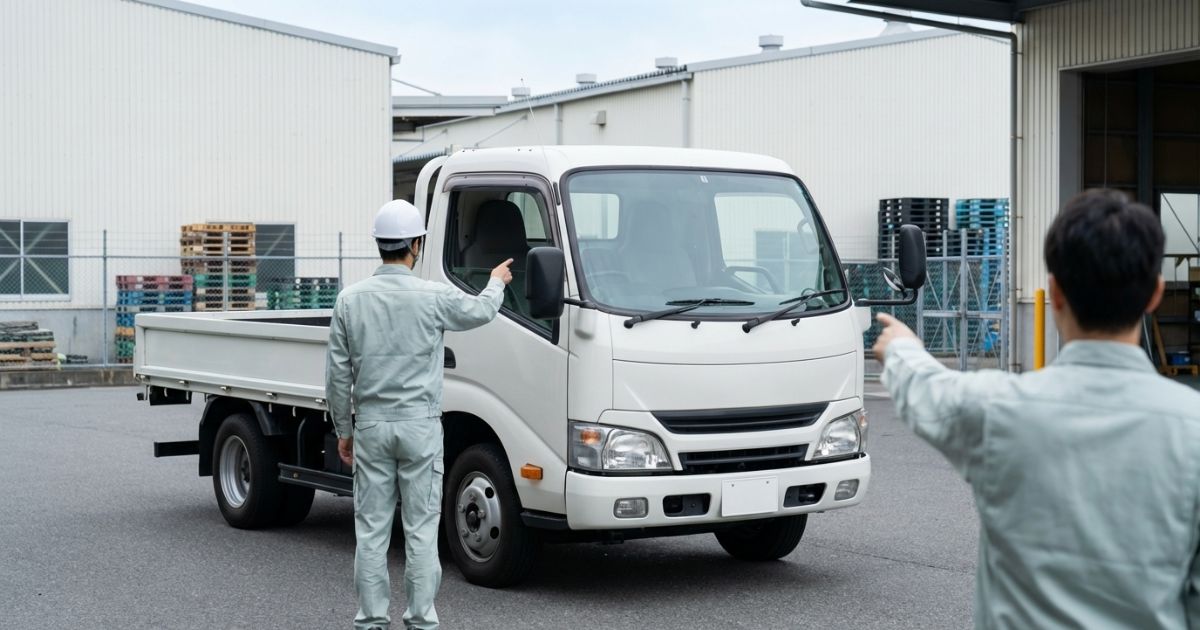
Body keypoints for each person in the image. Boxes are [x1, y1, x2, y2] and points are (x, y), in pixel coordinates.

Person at [873, 189, 1200, 629]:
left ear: (1055, 292)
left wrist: (902, 350)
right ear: (1155, 294)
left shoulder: (998, 410)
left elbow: (928, 391)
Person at [325, 199, 513, 630]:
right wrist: (495, 282)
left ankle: (372, 621)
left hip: (371, 424)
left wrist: (343, 429)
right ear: (415, 244)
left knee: (371, 533)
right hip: (420, 426)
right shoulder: (432, 296)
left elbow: (336, 375)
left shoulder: (349, 301)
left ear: (379, 245)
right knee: (421, 530)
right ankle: (420, 620)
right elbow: (481, 311)